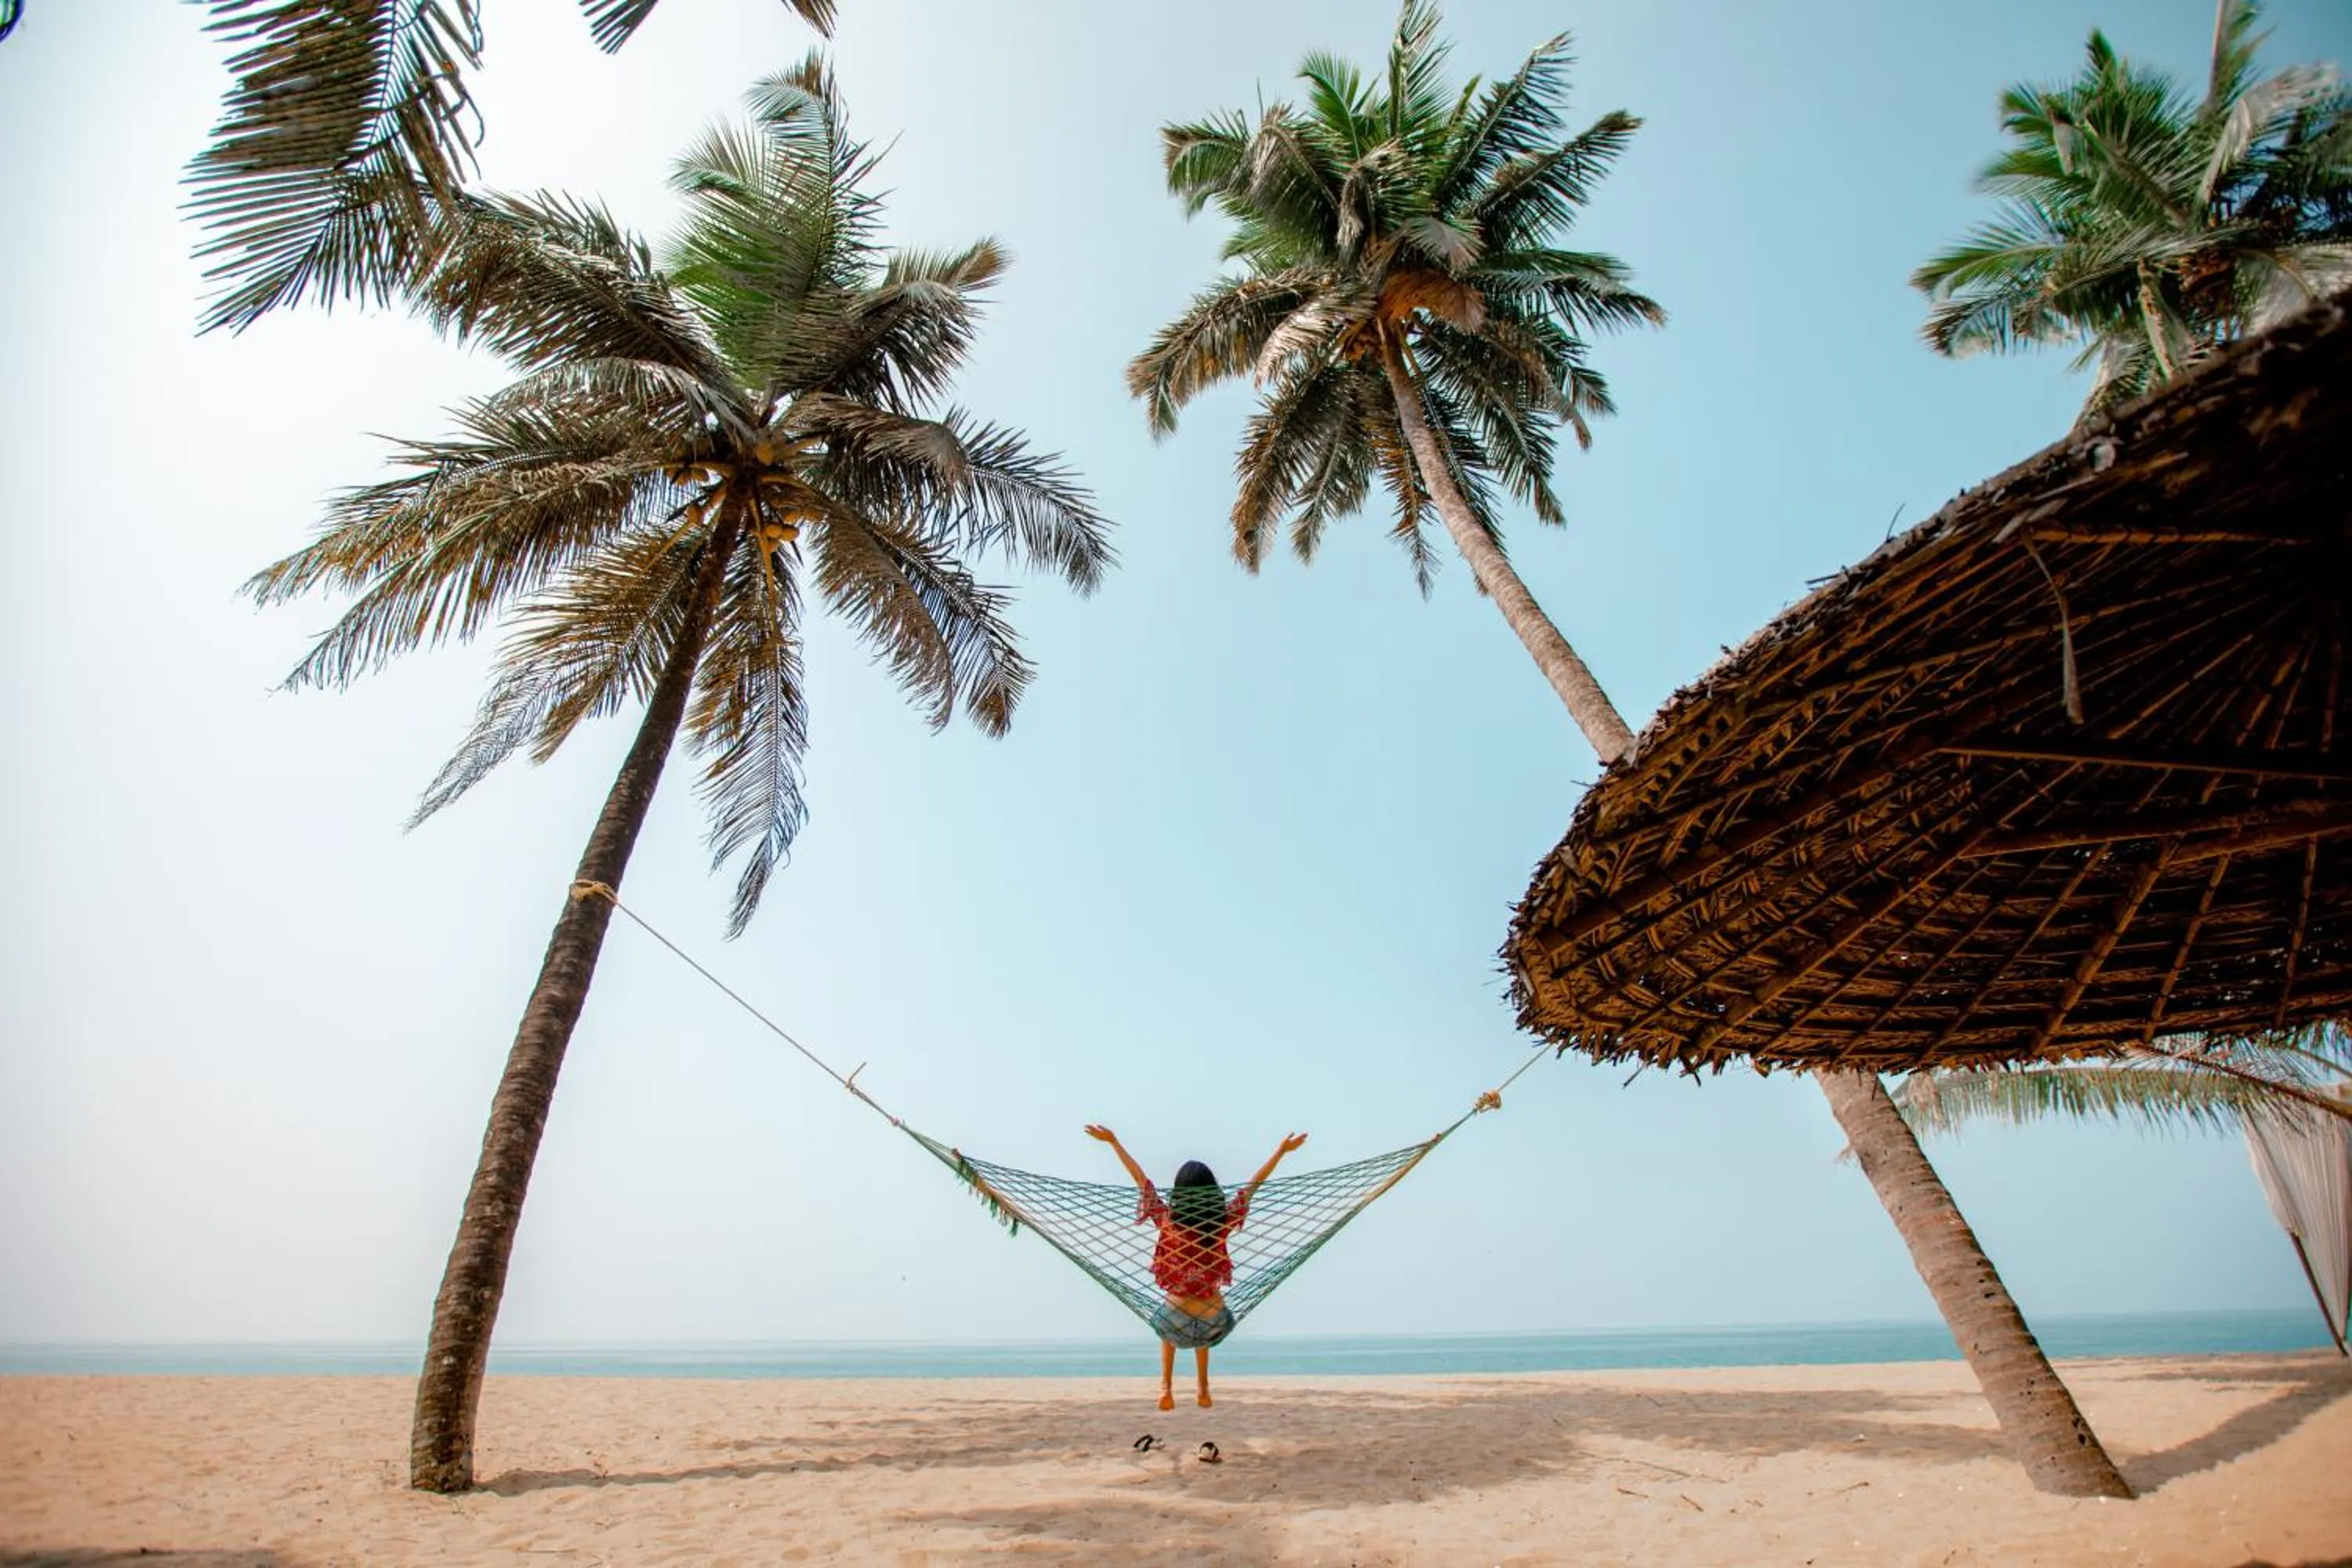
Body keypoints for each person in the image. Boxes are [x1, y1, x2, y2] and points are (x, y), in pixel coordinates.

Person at [1083, 1123, 1308, 1410]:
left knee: (1169, 1326)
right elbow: (1253, 1187)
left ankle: (1165, 1387)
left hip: (1175, 1314)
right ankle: (1203, 1388)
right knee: (1204, 1305)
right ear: (1212, 1191)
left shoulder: (1167, 1221)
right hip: (1213, 1317)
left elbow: (1141, 1180)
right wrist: (1281, 1152)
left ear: (1180, 1193)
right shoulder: (1221, 1224)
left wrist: (1113, 1142)